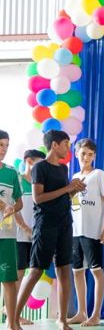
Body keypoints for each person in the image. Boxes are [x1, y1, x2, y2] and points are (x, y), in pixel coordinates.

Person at [16, 130, 85, 330]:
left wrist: (73, 190)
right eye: (65, 144)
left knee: (64, 270)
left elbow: (64, 196)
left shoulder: (63, 169)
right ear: (54, 145)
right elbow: (38, 198)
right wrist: (67, 188)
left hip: (65, 223)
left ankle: (62, 320)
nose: (68, 148)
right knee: (36, 270)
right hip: (45, 224)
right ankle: (14, 318)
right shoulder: (40, 167)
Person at [68, 138, 104, 327]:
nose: (86, 157)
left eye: (90, 154)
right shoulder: (75, 177)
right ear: (76, 154)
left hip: (93, 231)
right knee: (77, 271)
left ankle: (96, 315)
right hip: (75, 231)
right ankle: (81, 312)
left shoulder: (98, 174)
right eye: (83, 153)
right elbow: (73, 203)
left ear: (94, 156)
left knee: (96, 271)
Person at [15, 149, 45, 326]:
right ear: (28, 161)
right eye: (38, 164)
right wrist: (26, 229)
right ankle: (14, 315)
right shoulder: (18, 180)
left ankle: (13, 310)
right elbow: (13, 208)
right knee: (18, 275)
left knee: (30, 273)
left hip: (35, 237)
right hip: (19, 236)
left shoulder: (39, 185)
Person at [0, 130, 24, 330]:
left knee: (8, 279)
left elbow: (19, 203)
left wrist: (11, 208)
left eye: (7, 145)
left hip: (6, 234)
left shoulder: (11, 172)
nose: (4, 149)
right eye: (1, 145)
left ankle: (12, 324)